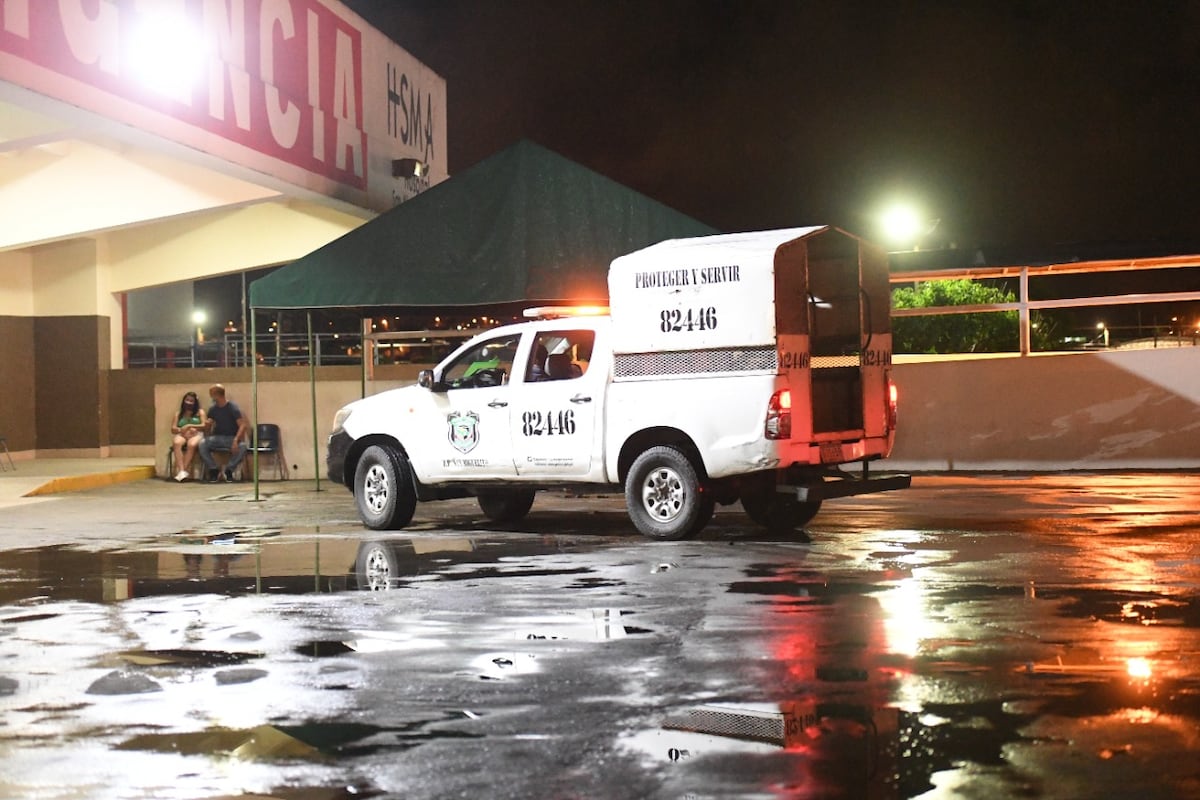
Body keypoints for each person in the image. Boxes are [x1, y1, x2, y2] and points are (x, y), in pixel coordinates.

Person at [198, 383, 249, 482]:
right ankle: (213, 469)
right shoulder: (213, 408)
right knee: (202, 444)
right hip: (217, 437)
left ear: (217, 395)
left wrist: (236, 440)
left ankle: (229, 470)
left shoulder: (232, 407)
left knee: (242, 447)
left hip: (231, 438)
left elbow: (242, 425)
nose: (210, 396)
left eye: (211, 394)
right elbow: (209, 424)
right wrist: (207, 425)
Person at [170, 391, 207, 482]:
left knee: (191, 444)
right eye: (187, 400)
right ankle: (182, 471)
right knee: (176, 442)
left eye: (191, 401)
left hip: (196, 434)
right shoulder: (179, 414)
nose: (189, 402)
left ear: (195, 402)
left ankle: (182, 471)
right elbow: (173, 428)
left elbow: (204, 425)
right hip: (182, 434)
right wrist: (181, 430)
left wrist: (191, 426)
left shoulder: (200, 412)